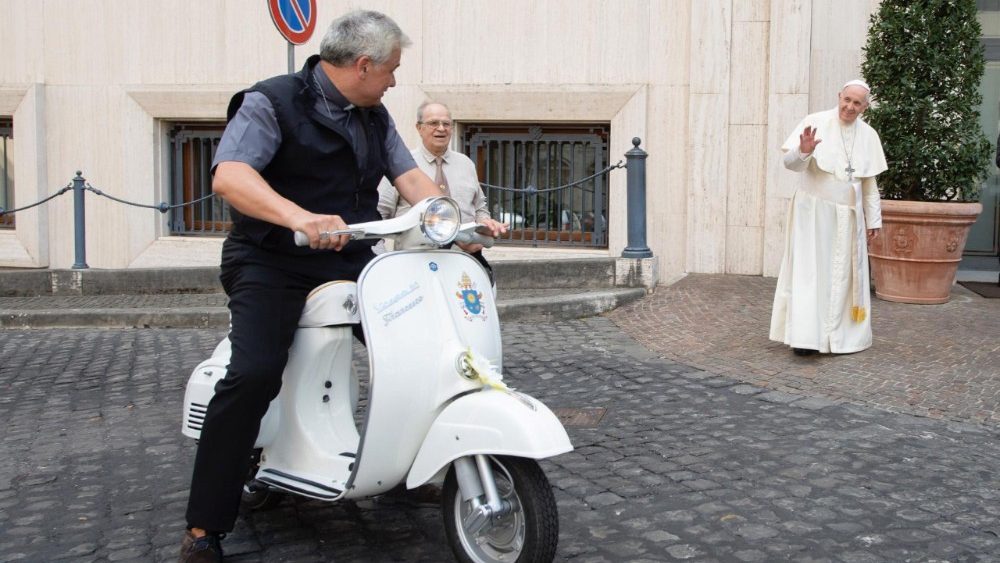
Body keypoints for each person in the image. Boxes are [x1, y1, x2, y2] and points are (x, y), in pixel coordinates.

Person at [178, 11, 501, 563]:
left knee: (419, 344)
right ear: (363, 65)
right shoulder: (272, 101)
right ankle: (205, 525)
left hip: (351, 256)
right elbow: (230, 176)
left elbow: (410, 180)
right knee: (254, 373)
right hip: (270, 260)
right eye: (392, 70)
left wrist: (454, 222)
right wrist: (298, 216)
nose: (396, 81)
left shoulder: (373, 114)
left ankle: (403, 462)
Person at [769, 79, 888, 356]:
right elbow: (791, 165)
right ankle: (806, 338)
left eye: (857, 103)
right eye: (846, 99)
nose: (849, 106)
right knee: (811, 274)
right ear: (839, 96)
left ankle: (841, 338)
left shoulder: (868, 135)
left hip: (848, 218)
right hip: (813, 214)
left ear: (864, 107)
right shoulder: (815, 121)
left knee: (844, 277)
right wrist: (805, 150)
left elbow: (868, 184)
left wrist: (874, 220)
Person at [376, 101, 505, 282]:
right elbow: (380, 214)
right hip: (414, 265)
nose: (441, 129)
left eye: (446, 124)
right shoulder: (402, 166)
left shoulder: (466, 164)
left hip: (464, 264)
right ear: (419, 127)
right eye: (433, 123)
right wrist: (381, 261)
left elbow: (480, 208)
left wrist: (486, 225)